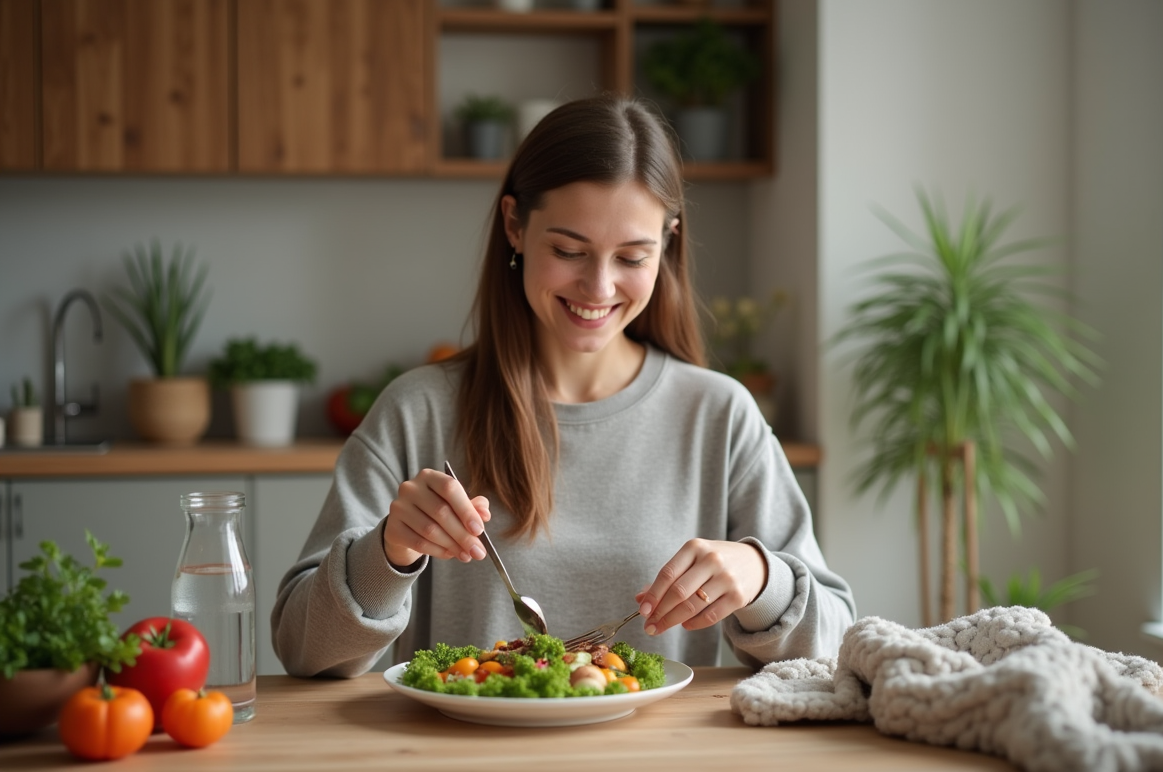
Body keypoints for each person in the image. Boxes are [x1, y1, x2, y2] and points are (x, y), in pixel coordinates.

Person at [272, 95, 856, 678]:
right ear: (514, 226)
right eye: (569, 250)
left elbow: (834, 643)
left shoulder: (719, 414)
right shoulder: (417, 410)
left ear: (668, 244)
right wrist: (388, 554)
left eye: (632, 256)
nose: (598, 286)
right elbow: (302, 649)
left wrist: (761, 578)